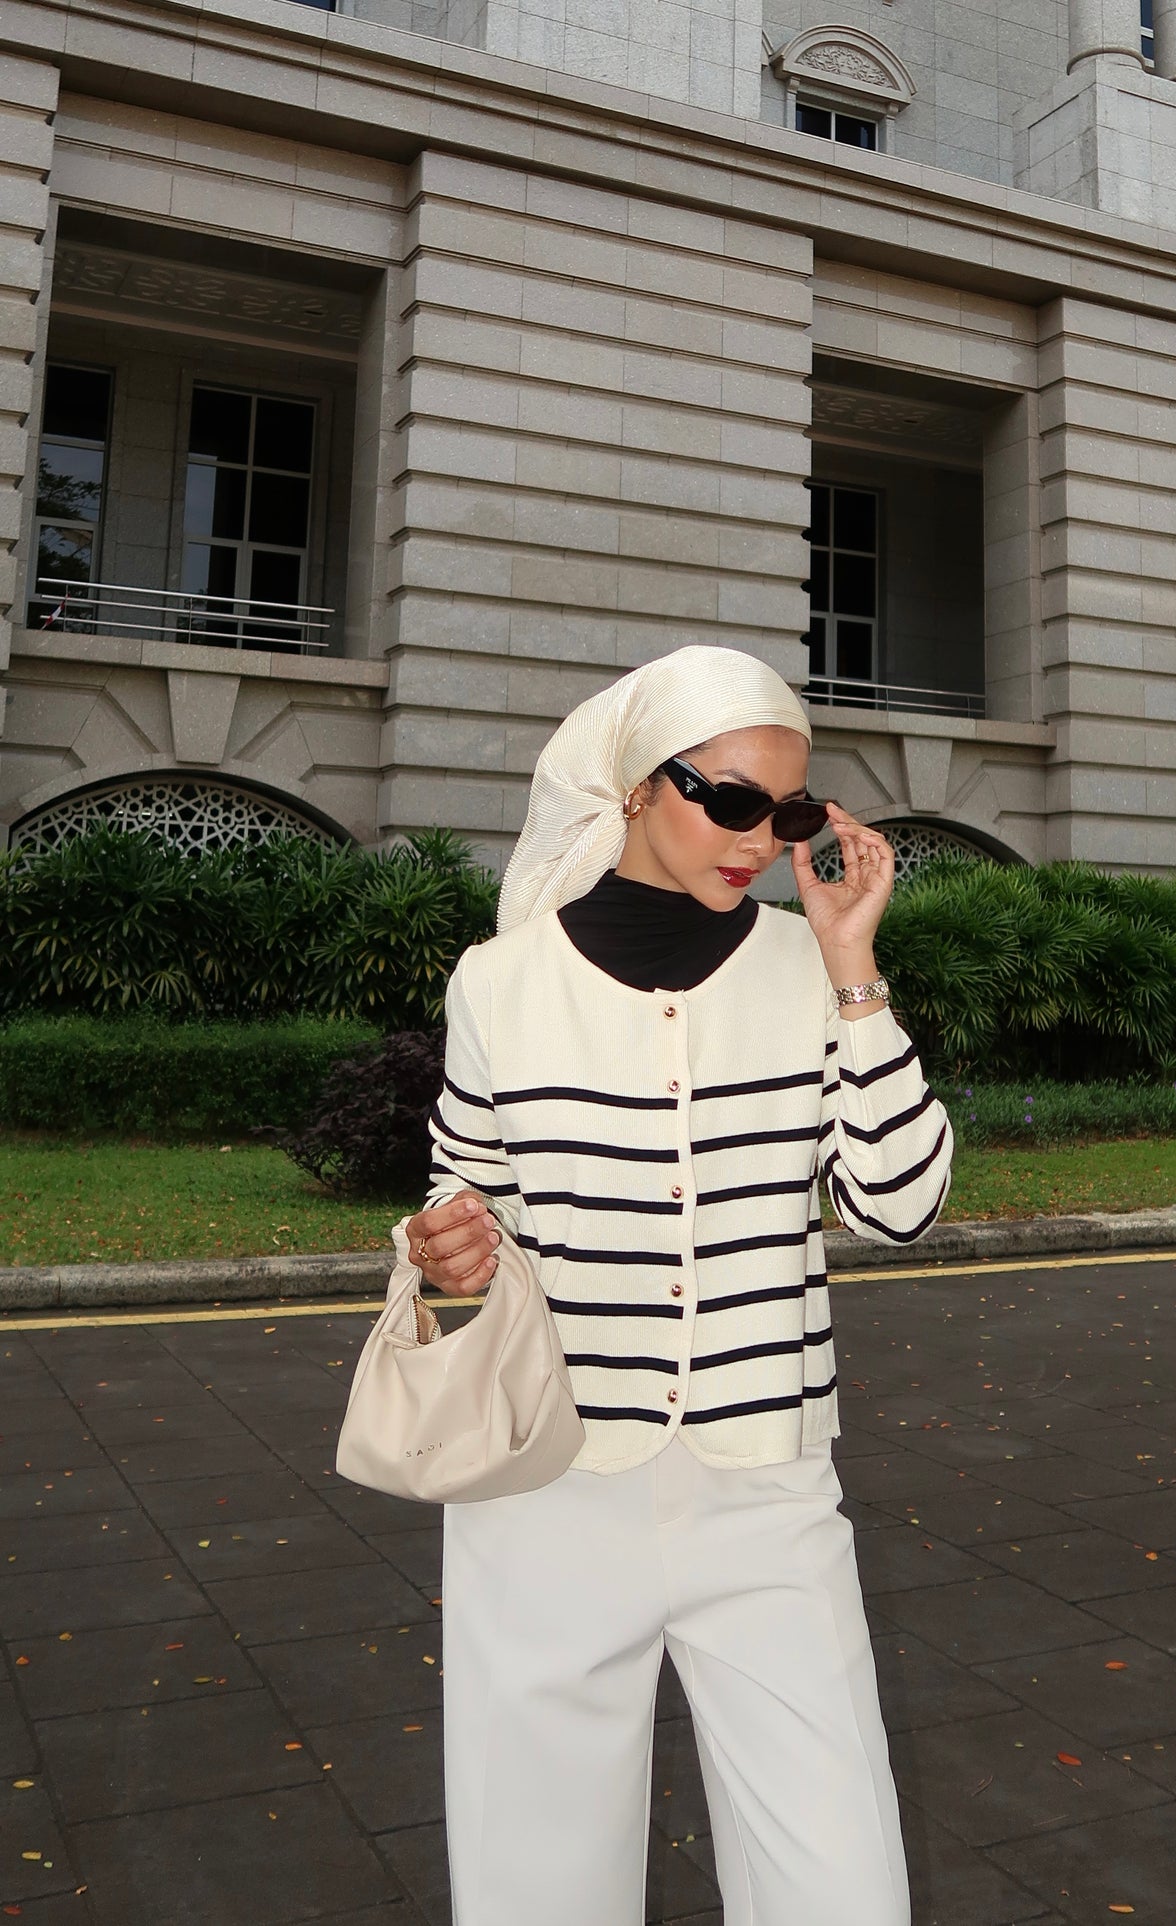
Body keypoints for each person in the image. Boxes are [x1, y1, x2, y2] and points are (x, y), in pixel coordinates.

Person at [405, 644, 954, 1926]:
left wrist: (852, 963)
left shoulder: (809, 972)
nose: (760, 841)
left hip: (765, 1485)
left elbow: (902, 1203)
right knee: (534, 1876)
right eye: (732, 802)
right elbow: (460, 1200)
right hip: (546, 1490)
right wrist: (444, 1255)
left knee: (842, 1879)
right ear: (641, 787)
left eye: (791, 813)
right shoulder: (503, 980)